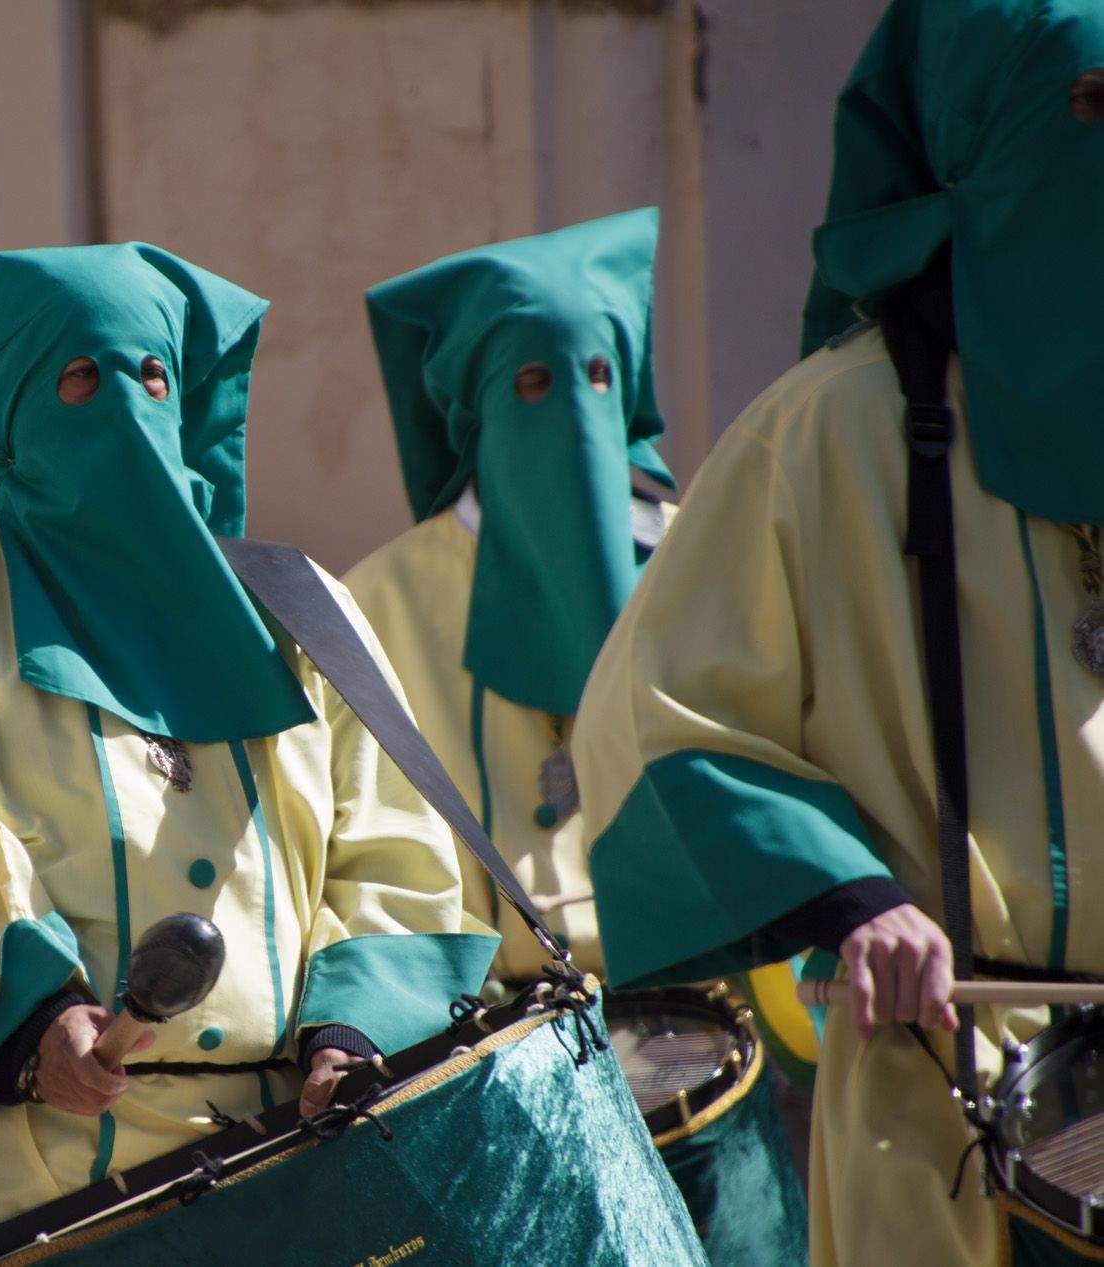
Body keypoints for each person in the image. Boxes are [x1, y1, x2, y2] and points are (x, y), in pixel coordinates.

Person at [0, 243, 494, 1261]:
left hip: (291, 1166)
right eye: (80, 378)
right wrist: (38, 1018)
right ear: (11, 395)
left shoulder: (297, 603)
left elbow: (389, 841)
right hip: (38, 1181)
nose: (123, 406)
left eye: (153, 375)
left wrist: (350, 1032)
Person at [572, 2, 1104, 1263]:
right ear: (978, 146)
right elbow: (653, 721)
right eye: (1087, 112)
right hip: (949, 1096)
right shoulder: (825, 430)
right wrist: (848, 898)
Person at [345, 208, 806, 1266]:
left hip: (717, 1060)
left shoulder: (701, 555)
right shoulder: (374, 599)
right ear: (472, 405)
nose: (567, 413)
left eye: (597, 376)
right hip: (497, 1079)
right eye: (533, 385)